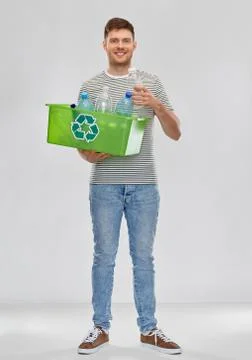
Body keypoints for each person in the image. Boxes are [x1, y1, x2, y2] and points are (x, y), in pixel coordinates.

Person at [77, 17, 182, 355]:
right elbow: (82, 140)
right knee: (103, 257)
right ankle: (100, 328)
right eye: (114, 40)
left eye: (126, 40)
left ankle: (149, 330)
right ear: (104, 44)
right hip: (104, 186)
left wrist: (156, 105)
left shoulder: (150, 83)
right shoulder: (90, 87)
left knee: (143, 259)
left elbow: (175, 131)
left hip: (144, 186)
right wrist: (89, 154)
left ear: (134, 45)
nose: (120, 45)